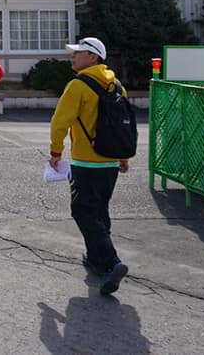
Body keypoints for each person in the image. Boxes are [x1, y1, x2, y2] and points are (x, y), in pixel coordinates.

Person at [49, 36, 130, 296]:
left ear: (93, 57)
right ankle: (97, 260)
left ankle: (111, 261)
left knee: (82, 211)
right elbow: (123, 127)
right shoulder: (117, 85)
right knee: (100, 211)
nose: (73, 56)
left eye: (79, 52)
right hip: (110, 162)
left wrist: (55, 151)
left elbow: (60, 121)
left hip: (86, 160)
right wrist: (123, 158)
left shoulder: (78, 85)